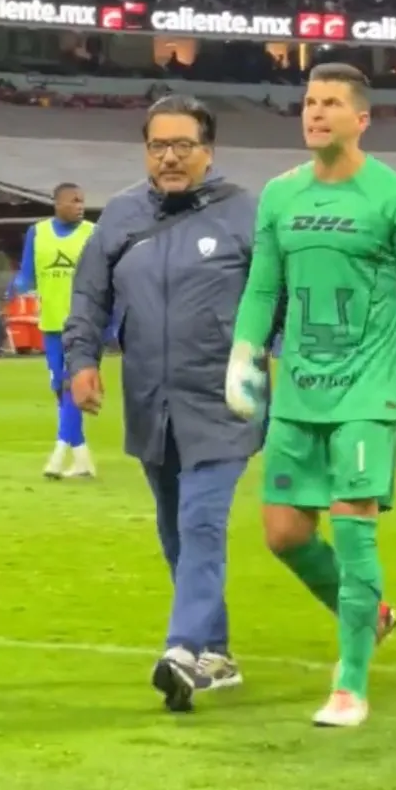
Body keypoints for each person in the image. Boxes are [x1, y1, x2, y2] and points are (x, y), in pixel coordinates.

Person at [223, 62, 396, 728]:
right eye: (310, 101)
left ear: (361, 119)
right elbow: (262, 288)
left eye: (331, 103)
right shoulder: (280, 195)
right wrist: (245, 354)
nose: (316, 112)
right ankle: (373, 615)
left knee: (354, 531)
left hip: (366, 390)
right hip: (299, 390)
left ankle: (350, 685)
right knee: (283, 534)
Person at [63, 94, 264, 712]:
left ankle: (182, 650)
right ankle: (217, 654)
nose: (170, 157)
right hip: (150, 399)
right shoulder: (121, 216)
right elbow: (89, 297)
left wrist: (265, 353)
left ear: (209, 151)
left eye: (182, 145)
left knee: (202, 521)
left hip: (223, 401)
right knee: (175, 531)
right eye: (158, 146)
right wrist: (82, 362)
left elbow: (278, 297)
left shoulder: (246, 213)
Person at [9, 183, 96, 478]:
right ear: (57, 203)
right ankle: (82, 459)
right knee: (60, 388)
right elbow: (27, 275)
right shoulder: (38, 233)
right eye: (74, 201)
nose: (80, 206)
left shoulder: (93, 234)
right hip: (51, 324)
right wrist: (17, 287)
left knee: (73, 386)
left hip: (83, 325)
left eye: (82, 201)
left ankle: (59, 453)